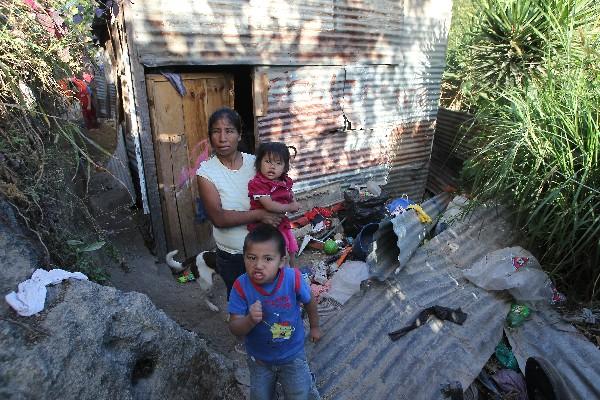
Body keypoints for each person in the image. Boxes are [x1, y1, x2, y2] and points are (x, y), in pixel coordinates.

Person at [228, 224, 321, 400]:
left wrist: (315, 327)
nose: (258, 265)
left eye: (268, 259)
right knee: (261, 396)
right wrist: (249, 320)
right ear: (244, 258)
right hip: (260, 359)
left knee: (300, 393)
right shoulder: (241, 286)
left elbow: (310, 302)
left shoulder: (292, 278)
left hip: (292, 355)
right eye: (252, 257)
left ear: (282, 261)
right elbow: (234, 327)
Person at [196, 107, 282, 298]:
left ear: (239, 134)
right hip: (232, 255)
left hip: (264, 250)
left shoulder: (257, 164)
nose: (222, 138)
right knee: (240, 301)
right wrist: (260, 214)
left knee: (268, 299)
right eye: (216, 131)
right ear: (210, 136)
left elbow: (279, 192)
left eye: (229, 131)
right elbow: (219, 218)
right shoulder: (206, 172)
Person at [248, 142, 301, 267]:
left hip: (281, 223)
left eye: (278, 163)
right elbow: (269, 206)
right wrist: (290, 207)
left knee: (292, 248)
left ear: (284, 167)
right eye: (268, 161)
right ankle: (283, 279)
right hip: (266, 226)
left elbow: (290, 193)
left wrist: (293, 201)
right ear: (259, 162)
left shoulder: (284, 181)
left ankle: (294, 274)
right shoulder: (258, 183)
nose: (272, 167)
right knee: (282, 254)